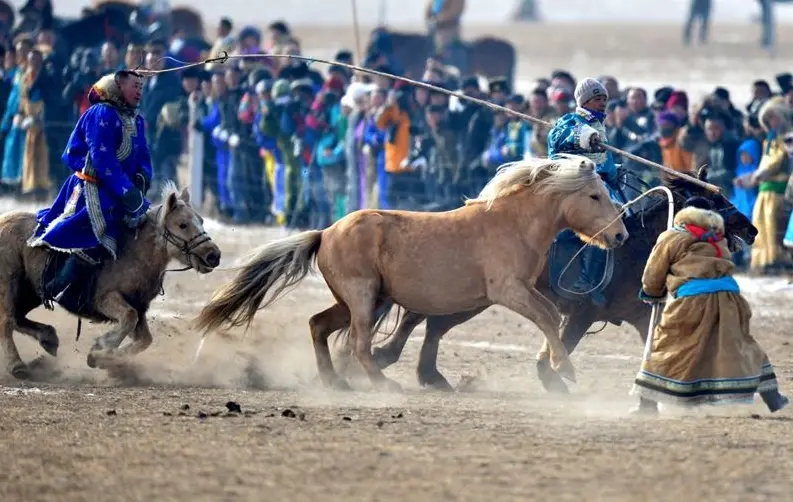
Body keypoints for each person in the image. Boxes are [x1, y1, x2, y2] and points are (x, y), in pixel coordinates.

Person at [631, 197, 789, 415]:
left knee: (668, 345)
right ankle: (772, 397)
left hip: (691, 302)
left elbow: (653, 273)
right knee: (740, 345)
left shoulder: (671, 236)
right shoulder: (718, 237)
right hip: (729, 299)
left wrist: (651, 293)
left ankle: (646, 405)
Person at [27, 70, 152, 312]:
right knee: (97, 233)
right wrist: (126, 190)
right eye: (134, 85)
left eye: (141, 87)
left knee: (145, 228)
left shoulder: (136, 118)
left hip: (120, 188)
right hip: (92, 187)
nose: (139, 91)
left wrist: (142, 177)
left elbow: (144, 155)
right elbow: (102, 159)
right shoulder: (101, 113)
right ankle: (58, 286)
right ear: (117, 87)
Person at [548, 77, 628, 306]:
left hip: (601, 187)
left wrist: (615, 171)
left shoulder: (600, 126)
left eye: (604, 99)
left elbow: (604, 160)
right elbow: (558, 136)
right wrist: (584, 136)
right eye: (596, 99)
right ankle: (585, 280)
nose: (602, 103)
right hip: (577, 188)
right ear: (584, 102)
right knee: (605, 225)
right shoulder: (572, 121)